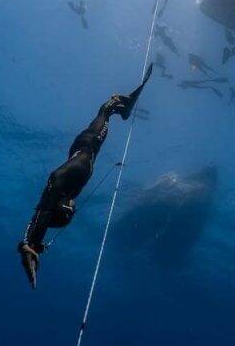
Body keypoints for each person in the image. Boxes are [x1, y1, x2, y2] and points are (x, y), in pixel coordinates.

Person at [18, 64, 154, 288]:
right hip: (80, 155)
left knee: (104, 112)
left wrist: (33, 243)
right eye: (72, 208)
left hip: (80, 158)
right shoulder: (65, 189)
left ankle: (122, 107)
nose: (73, 206)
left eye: (70, 208)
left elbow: (43, 212)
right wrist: (31, 244)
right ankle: (122, 106)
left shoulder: (65, 191)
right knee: (104, 111)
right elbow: (45, 209)